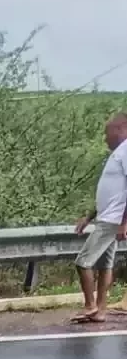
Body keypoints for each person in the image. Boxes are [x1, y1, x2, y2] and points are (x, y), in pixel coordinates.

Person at [73, 113, 127, 324]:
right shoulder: (117, 154)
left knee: (83, 262)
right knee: (105, 265)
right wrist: (88, 218)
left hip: (113, 220)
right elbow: (110, 194)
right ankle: (100, 310)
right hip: (109, 217)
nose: (105, 138)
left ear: (121, 129)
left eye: (107, 132)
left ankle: (90, 305)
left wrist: (124, 223)